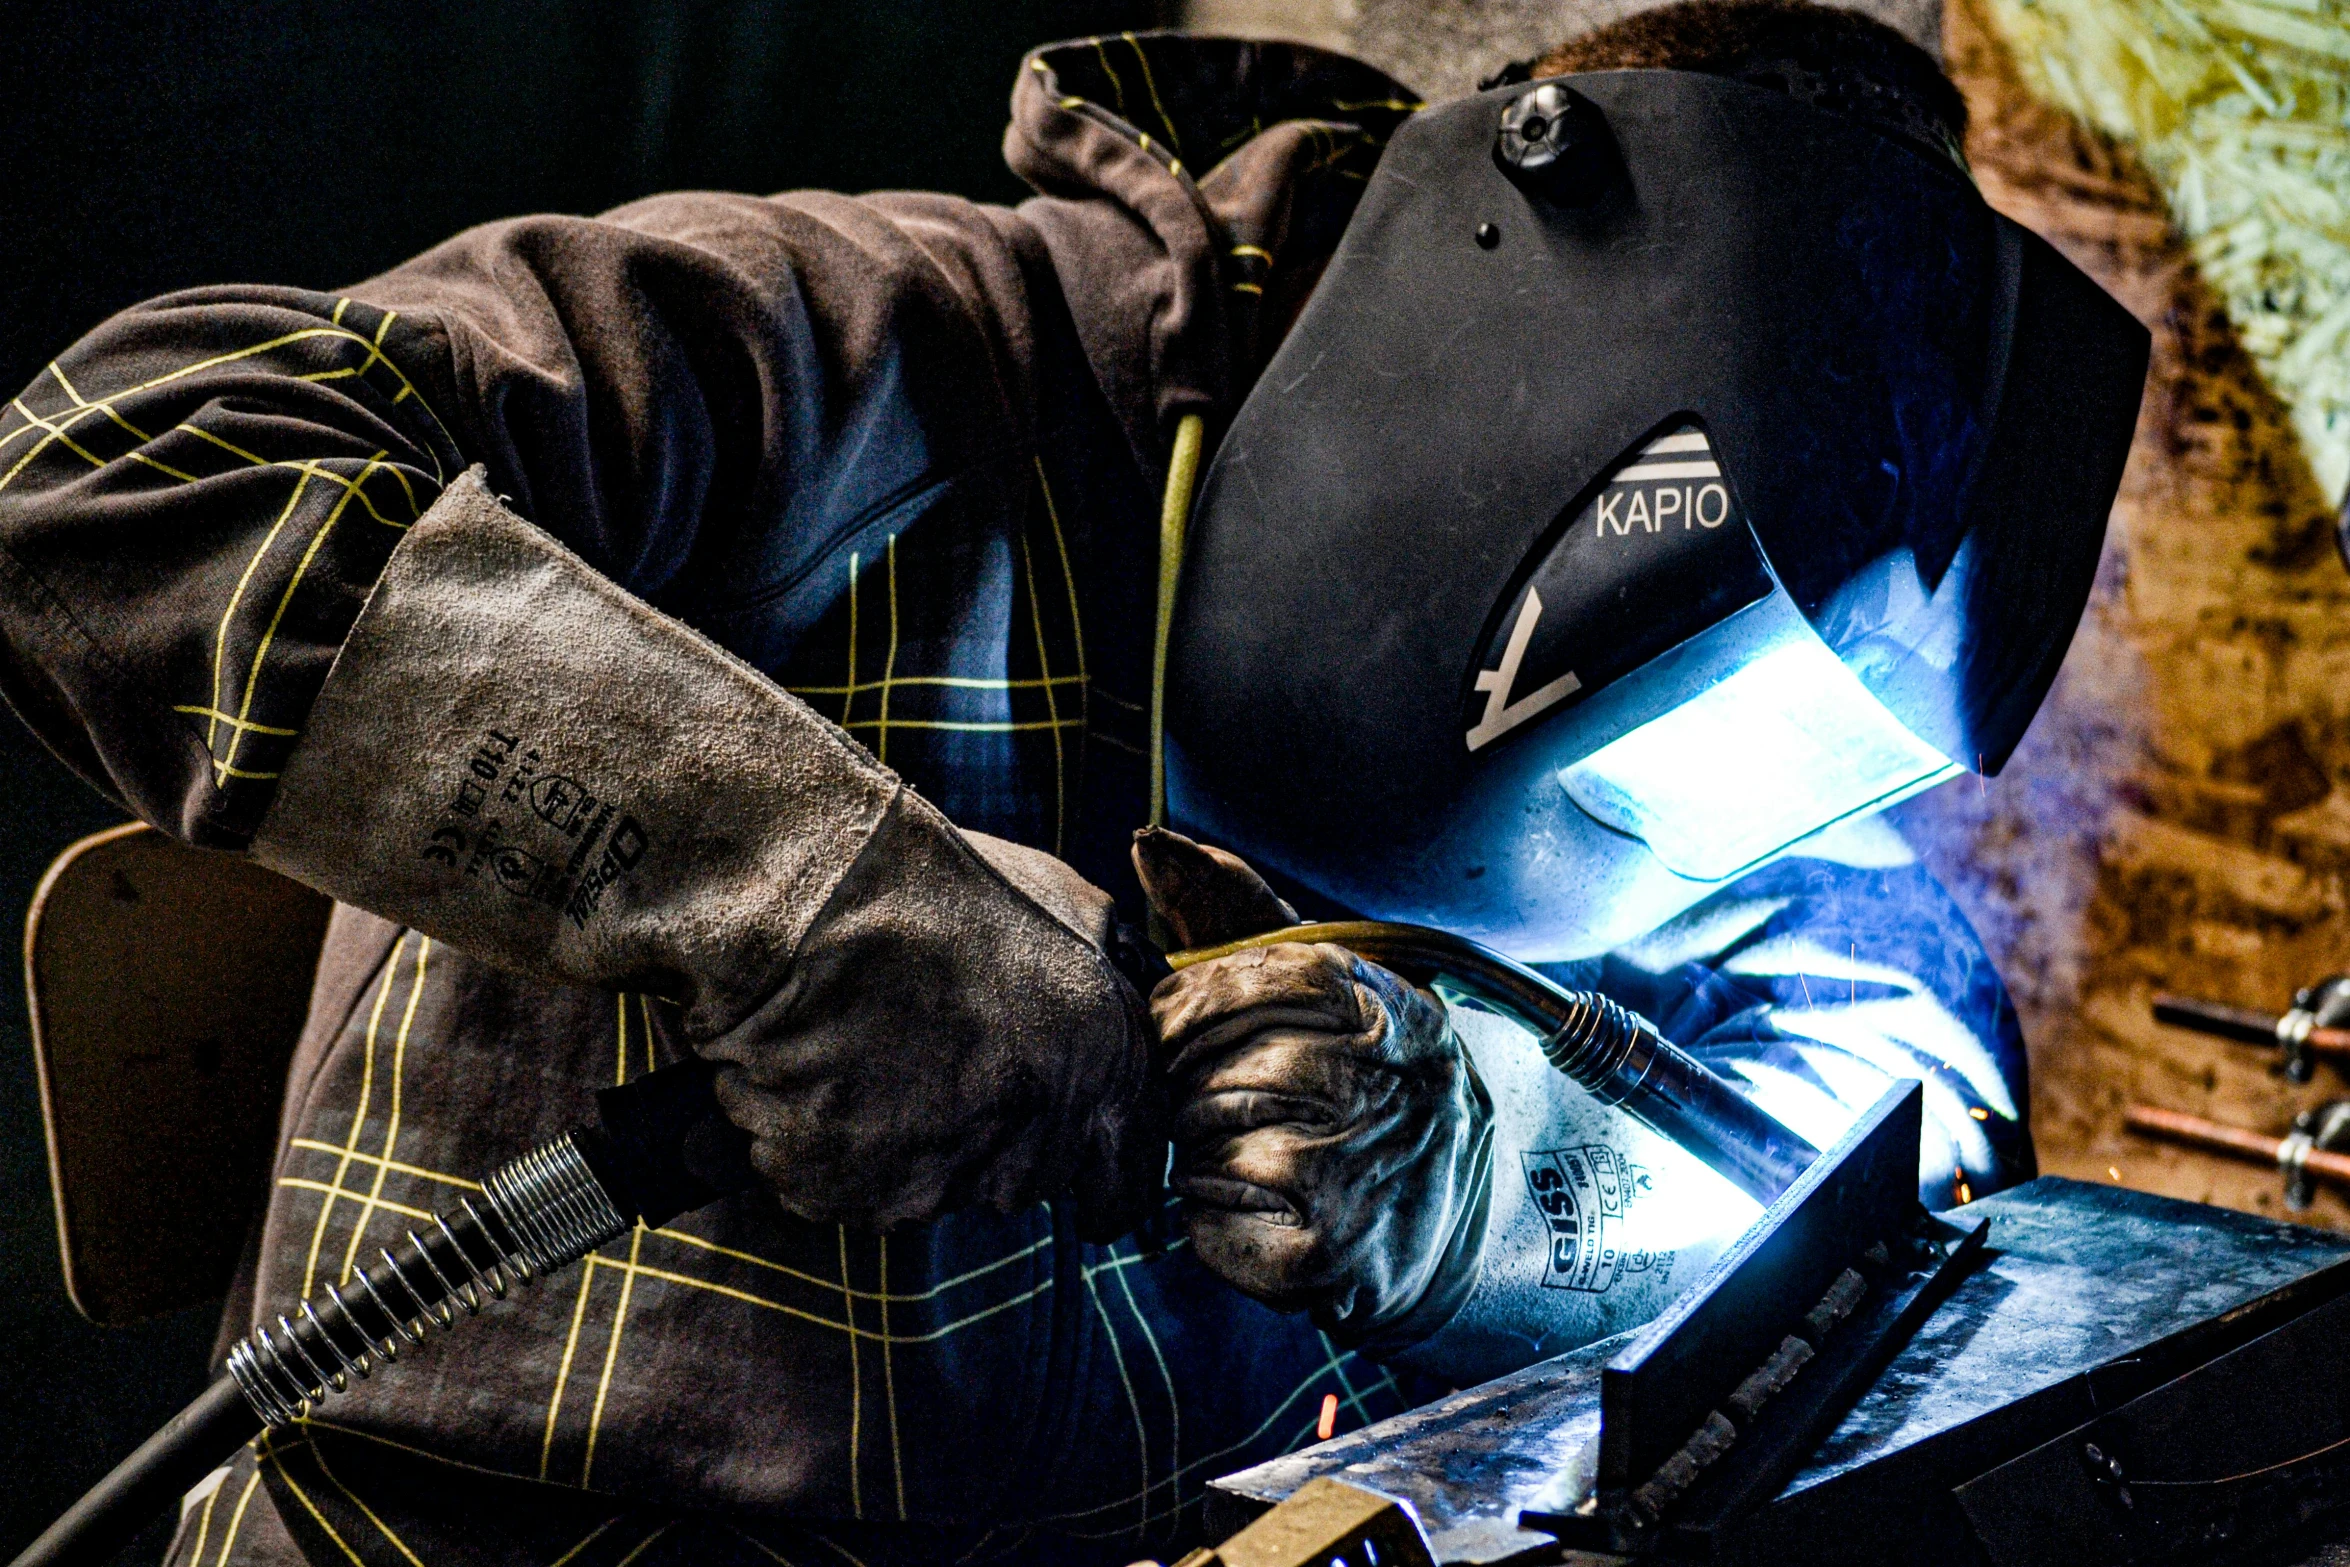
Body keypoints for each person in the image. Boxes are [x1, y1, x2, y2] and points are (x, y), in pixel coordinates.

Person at [0, 5, 2040, 1564]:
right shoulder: (862, 339)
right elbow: (120, 472)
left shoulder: (1744, 670)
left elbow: (1922, 1128)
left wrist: (1485, 1186)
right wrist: (785, 879)